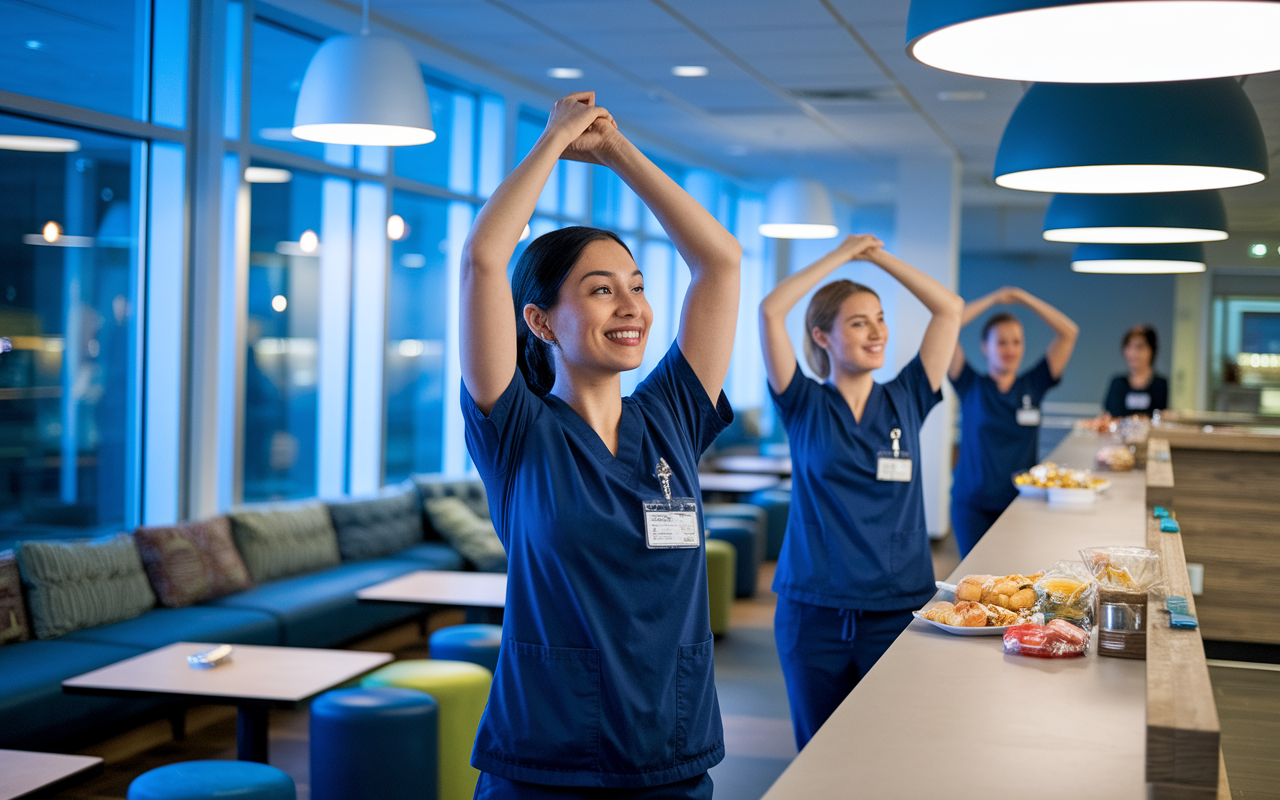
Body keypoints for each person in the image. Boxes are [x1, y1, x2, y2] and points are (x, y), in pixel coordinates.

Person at [459, 91, 741, 799]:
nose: (633, 307)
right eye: (600, 290)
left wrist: (617, 151)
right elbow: (484, 260)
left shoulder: (673, 414)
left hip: (670, 754)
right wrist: (554, 141)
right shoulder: (518, 433)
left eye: (637, 287)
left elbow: (720, 263)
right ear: (542, 322)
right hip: (547, 761)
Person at [759, 234, 963, 750]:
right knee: (819, 752)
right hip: (813, 613)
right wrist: (840, 256)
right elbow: (770, 310)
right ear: (822, 336)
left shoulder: (907, 396)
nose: (877, 332)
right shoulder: (802, 402)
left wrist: (879, 258)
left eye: (879, 319)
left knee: (889, 751)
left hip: (898, 609)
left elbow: (949, 308)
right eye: (858, 322)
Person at [948, 287, 1079, 557]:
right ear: (985, 346)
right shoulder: (969, 383)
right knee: (976, 582)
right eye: (1002, 342)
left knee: (1016, 582)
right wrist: (993, 298)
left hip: (1021, 503)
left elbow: (1069, 333)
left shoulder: (1034, 384)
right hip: (973, 504)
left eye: (1017, 341)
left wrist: (1024, 299)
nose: (1010, 349)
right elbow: (947, 322)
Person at [1103, 324, 1167, 418]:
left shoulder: (1159, 384)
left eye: (1139, 347)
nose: (1133, 353)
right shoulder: (1118, 383)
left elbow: (1158, 417)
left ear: (1151, 351)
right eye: (1128, 346)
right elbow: (1113, 415)